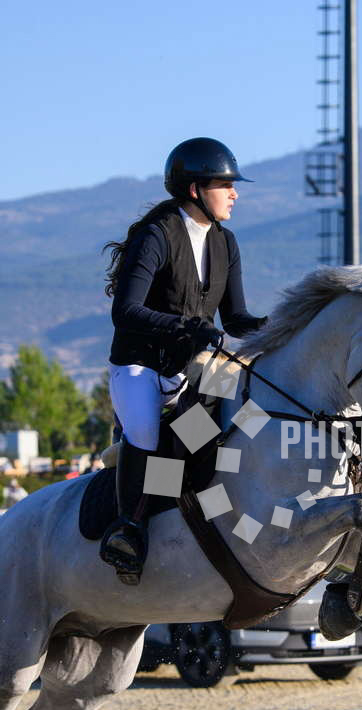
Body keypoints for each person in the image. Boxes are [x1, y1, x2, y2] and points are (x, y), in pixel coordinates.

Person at [99, 138, 267, 586]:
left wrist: (280, 326)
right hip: (139, 366)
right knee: (145, 431)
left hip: (191, 368)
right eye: (225, 185)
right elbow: (126, 311)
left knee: (233, 420)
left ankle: (212, 517)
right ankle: (129, 530)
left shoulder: (225, 242)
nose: (234, 193)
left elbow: (236, 318)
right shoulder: (157, 235)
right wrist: (185, 327)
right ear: (195, 190)